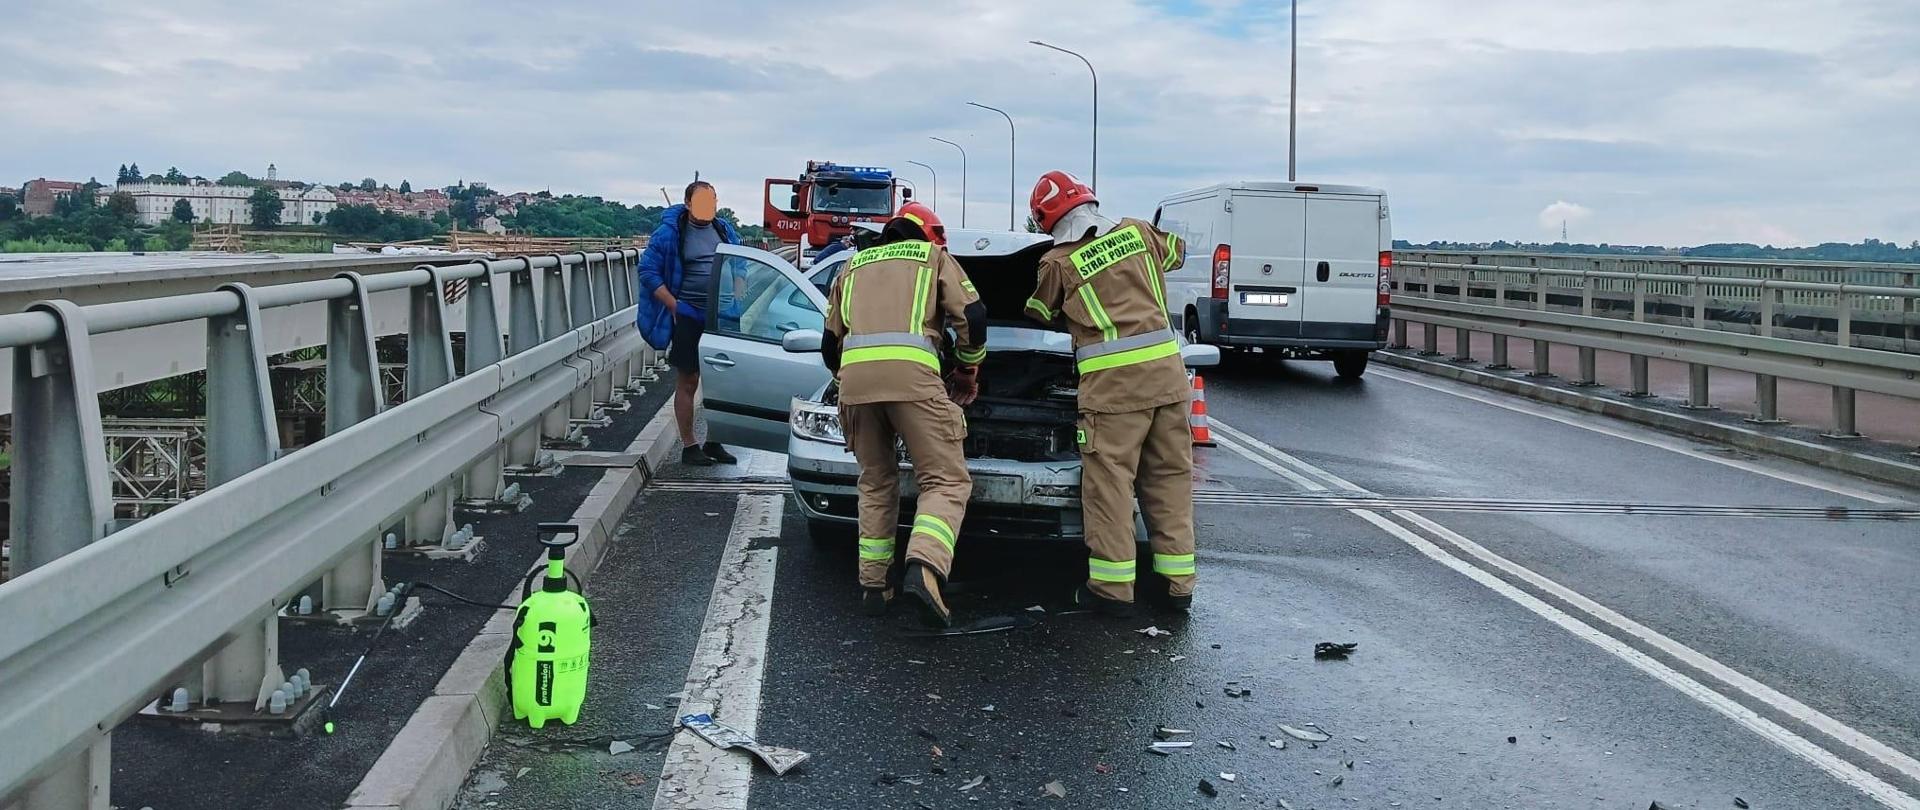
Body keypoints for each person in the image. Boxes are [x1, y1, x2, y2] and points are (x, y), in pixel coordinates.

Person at [1023, 170, 1195, 614]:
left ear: (1047, 220)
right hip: (1169, 381)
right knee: (1169, 481)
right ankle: (1178, 586)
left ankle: (1113, 591)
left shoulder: (1058, 262)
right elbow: (1177, 253)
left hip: (1114, 393)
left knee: (1111, 488)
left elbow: (1040, 313)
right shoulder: (1138, 231)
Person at [821, 201, 988, 628]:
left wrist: (848, 380)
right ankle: (925, 569)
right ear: (929, 235)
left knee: (876, 480)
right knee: (946, 480)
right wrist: (967, 369)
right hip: (914, 381)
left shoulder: (853, 265)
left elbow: (829, 343)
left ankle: (875, 586)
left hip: (856, 386)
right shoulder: (933, 258)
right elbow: (973, 315)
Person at [638, 180, 741, 467]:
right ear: (687, 204)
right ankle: (689, 445)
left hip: (721, 316)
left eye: (713, 201)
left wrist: (738, 296)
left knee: (722, 381)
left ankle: (715, 440)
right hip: (689, 314)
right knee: (689, 379)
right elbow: (647, 270)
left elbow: (740, 264)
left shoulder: (724, 229)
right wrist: (673, 305)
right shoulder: (671, 233)